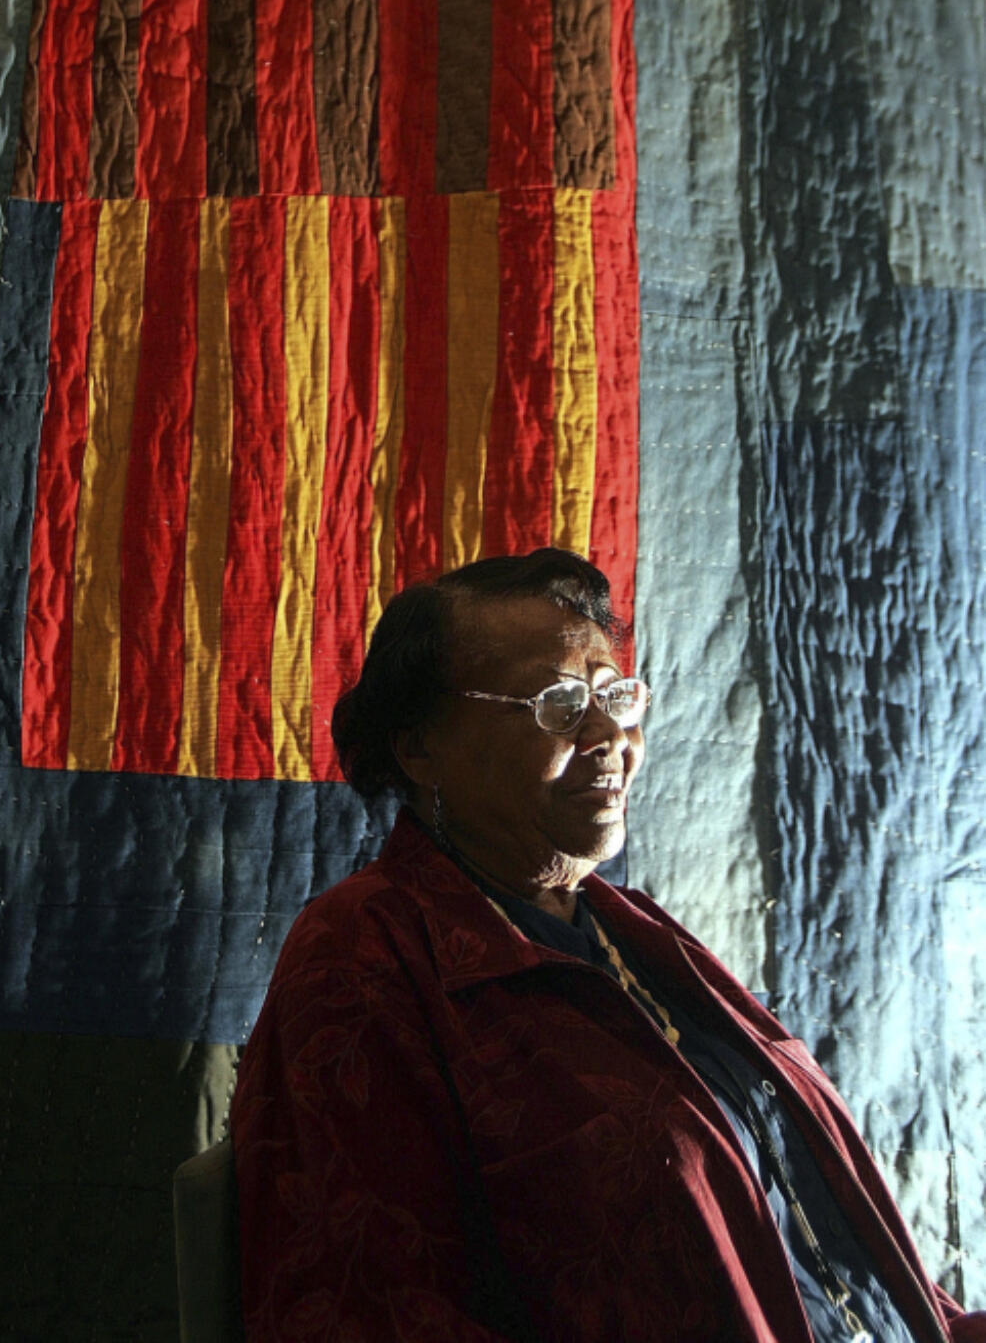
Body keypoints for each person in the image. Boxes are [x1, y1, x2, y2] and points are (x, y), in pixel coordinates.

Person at [231, 549, 984, 1342]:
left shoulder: (629, 931)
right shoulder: (365, 955)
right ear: (421, 749)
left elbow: (822, 1241)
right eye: (557, 703)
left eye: (614, 695)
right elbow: (359, 1310)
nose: (607, 735)